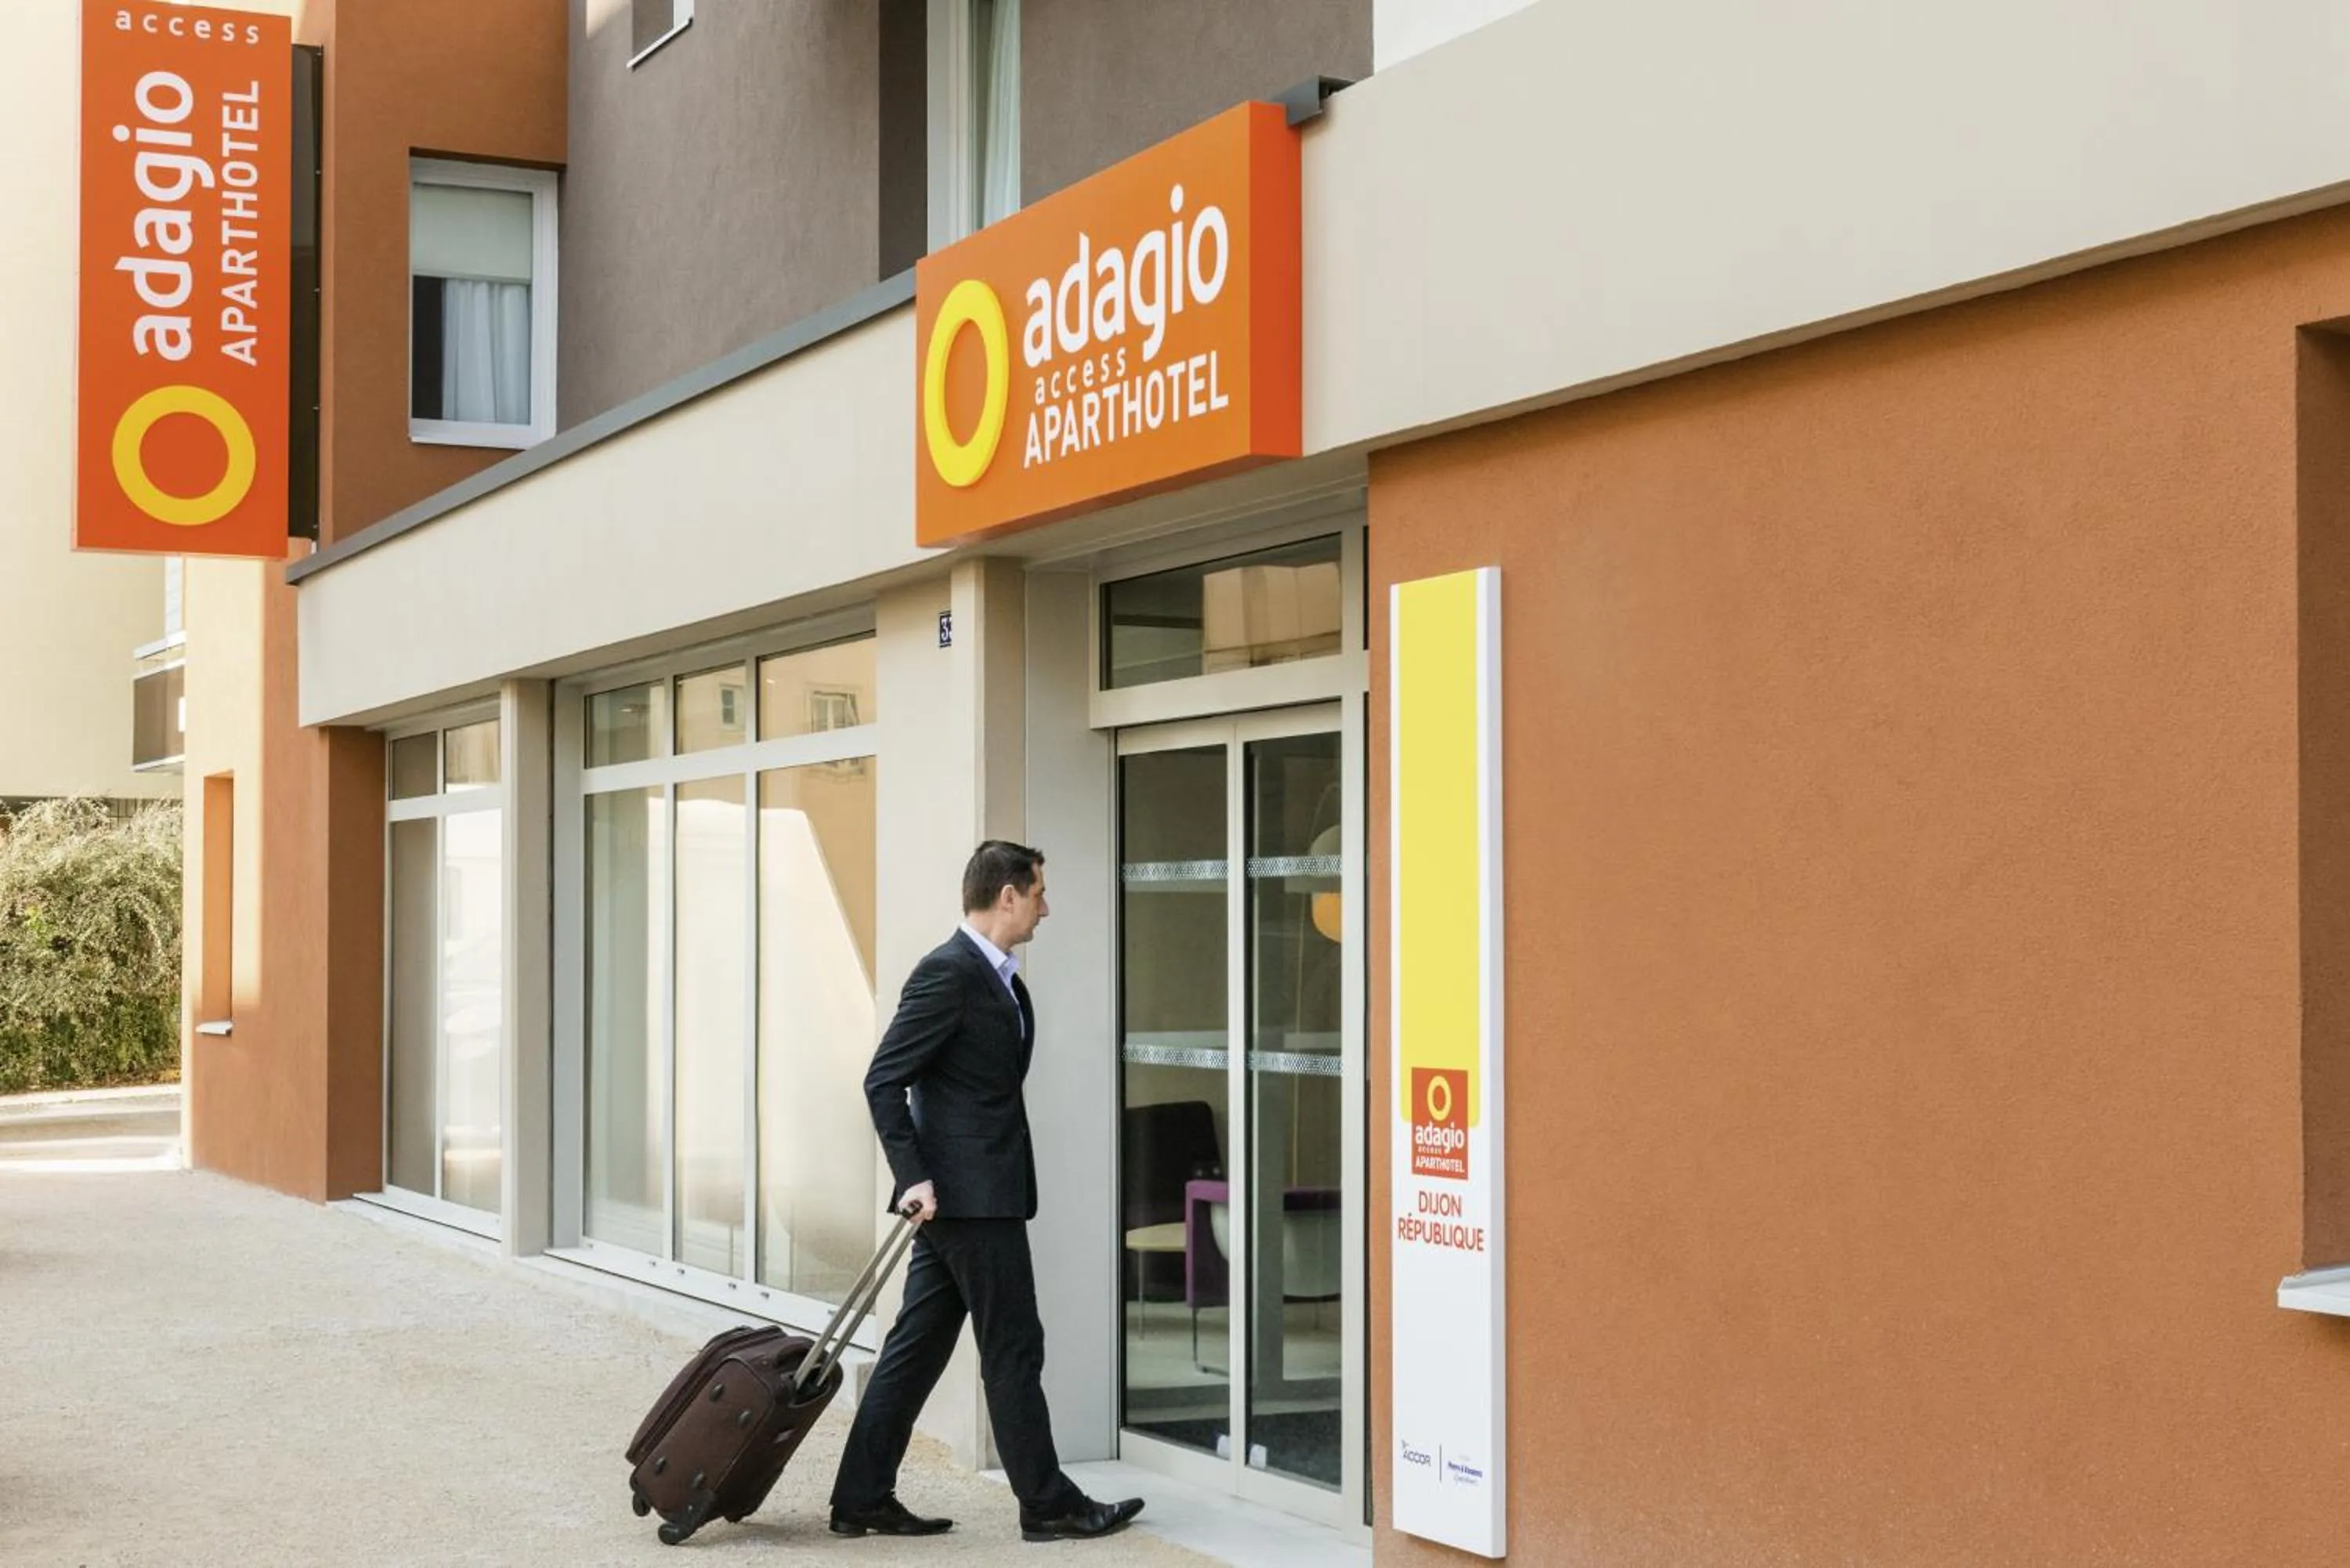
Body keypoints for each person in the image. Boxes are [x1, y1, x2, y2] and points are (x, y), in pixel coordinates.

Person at [829, 840, 1146, 1544]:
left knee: (916, 1349)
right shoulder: (948, 973)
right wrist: (914, 1176)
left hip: (977, 1195)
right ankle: (1047, 1504)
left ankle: (860, 1498)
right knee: (1013, 1347)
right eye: (1038, 893)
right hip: (968, 1201)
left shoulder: (1001, 979)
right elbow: (884, 1078)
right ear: (1007, 896)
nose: (1045, 906)